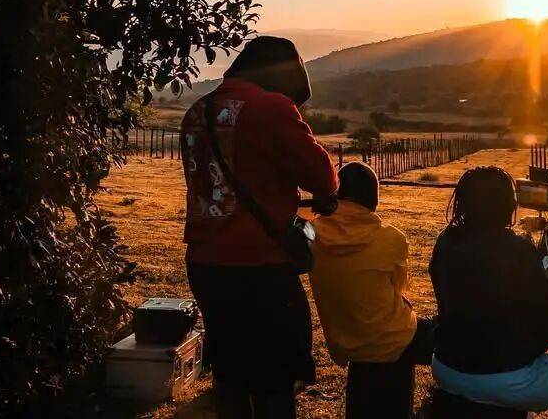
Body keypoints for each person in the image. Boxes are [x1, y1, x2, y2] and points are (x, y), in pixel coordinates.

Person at [181, 36, 339, 419]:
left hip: (204, 264)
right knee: (274, 381)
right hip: (260, 267)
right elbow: (323, 178)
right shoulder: (269, 108)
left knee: (230, 375)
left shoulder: (198, 110)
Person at [429, 167, 548, 419]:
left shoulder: (445, 241)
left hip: (446, 366)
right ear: (507, 204)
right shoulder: (515, 248)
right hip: (502, 375)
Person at [309, 161, 435, 419]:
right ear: (374, 201)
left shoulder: (313, 235)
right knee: (454, 335)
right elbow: (400, 287)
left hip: (349, 342)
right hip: (395, 340)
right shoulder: (392, 239)